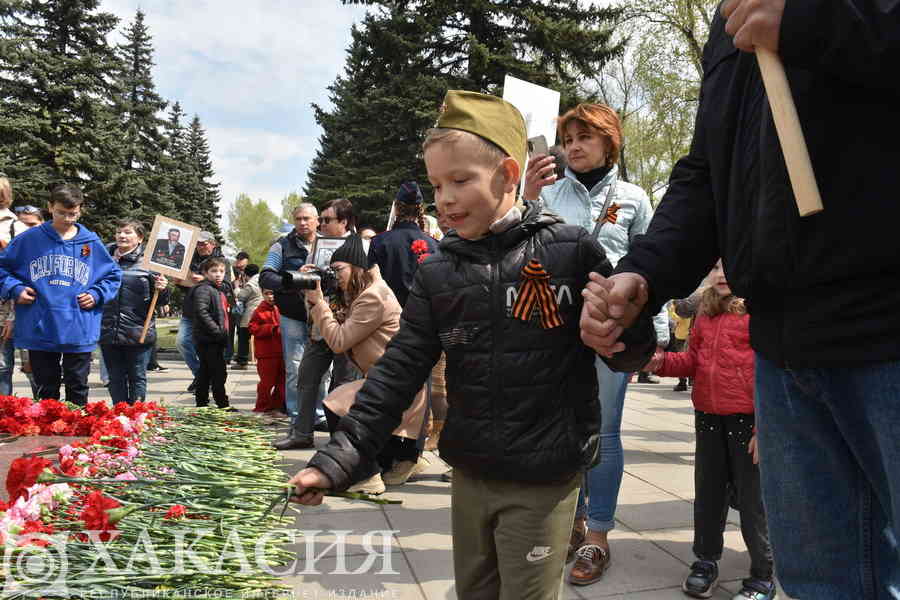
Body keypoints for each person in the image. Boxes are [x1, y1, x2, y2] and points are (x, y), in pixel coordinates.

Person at [578, 2, 900, 598]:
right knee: (819, 581)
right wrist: (646, 273)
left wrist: (815, 24)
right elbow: (705, 172)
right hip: (784, 349)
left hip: (887, 328)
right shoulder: (732, 19)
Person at [289, 90, 654, 599]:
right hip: (472, 473)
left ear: (508, 175)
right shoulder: (438, 270)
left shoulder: (570, 250)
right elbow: (398, 371)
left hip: (544, 476)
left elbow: (632, 350)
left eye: (460, 180)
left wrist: (622, 326)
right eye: (438, 185)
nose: (445, 199)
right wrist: (336, 461)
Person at [523, 102, 669, 584]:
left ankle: (598, 536)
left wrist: (656, 337)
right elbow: (522, 251)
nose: (573, 148)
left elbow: (654, 265)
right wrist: (525, 198)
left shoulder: (633, 196)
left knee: (604, 431)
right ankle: (571, 521)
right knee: (563, 428)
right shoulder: (547, 195)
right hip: (556, 328)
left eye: (584, 137)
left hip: (612, 328)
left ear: (609, 140)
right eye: (567, 140)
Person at [645, 260, 774, 600]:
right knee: (708, 495)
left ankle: (763, 573)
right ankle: (705, 561)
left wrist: (766, 426)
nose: (720, 274)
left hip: (748, 423)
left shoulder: (760, 313)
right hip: (708, 418)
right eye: (715, 268)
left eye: (729, 266)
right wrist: (658, 361)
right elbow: (692, 362)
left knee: (753, 502)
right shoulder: (706, 314)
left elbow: (771, 374)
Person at [0, 183, 121, 406]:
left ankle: (78, 436)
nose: (67, 218)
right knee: (46, 389)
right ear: (49, 207)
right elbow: (3, 268)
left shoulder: (91, 243)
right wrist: (15, 289)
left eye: (72, 214)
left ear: (80, 210)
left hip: (79, 326)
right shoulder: (30, 239)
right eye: (61, 213)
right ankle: (49, 438)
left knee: (78, 386)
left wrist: (96, 294)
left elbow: (113, 276)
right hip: (41, 326)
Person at [260, 204, 318, 435]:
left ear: (316, 220)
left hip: (322, 313)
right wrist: (294, 279)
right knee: (295, 368)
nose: (302, 223)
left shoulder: (329, 243)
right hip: (293, 314)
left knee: (323, 370)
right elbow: (266, 276)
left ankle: (320, 414)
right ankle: (296, 415)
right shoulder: (281, 245)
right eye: (298, 219)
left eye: (307, 218)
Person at [99, 220, 169, 405]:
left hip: (138, 330)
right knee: (115, 378)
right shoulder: (102, 258)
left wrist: (163, 289)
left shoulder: (150, 263)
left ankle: (136, 417)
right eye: (119, 231)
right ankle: (119, 415)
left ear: (140, 238)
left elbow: (161, 302)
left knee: (137, 376)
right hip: (108, 329)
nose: (122, 235)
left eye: (128, 232)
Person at [367, 182, 439, 307]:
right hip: (423, 317)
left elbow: (370, 284)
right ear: (420, 209)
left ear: (396, 208)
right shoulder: (435, 245)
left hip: (387, 314)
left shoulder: (379, 242)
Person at [176, 231, 232, 390]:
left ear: (212, 244)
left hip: (212, 313)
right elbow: (185, 287)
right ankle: (200, 375)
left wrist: (206, 280)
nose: (200, 246)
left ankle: (205, 380)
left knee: (211, 351)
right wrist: (180, 281)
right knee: (182, 342)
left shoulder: (222, 262)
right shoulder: (188, 260)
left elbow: (227, 287)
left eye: (203, 243)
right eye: (197, 244)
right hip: (190, 311)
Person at [190, 256, 233, 409]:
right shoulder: (204, 289)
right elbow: (202, 312)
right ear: (205, 273)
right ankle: (222, 404)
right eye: (214, 271)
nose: (218, 274)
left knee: (206, 372)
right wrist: (217, 331)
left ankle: (202, 403)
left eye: (221, 271)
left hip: (213, 338)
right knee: (218, 373)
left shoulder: (216, 289)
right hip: (208, 338)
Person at [0, 176, 28, 395]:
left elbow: (23, 271)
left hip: (5, 307)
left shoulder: (15, 226)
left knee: (2, 366)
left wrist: (13, 316)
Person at [248, 288, 285, 414]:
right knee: (266, 383)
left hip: (282, 352)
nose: (270, 296)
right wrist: (271, 329)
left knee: (282, 382)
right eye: (267, 293)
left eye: (273, 293)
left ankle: (276, 406)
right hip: (267, 354)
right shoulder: (259, 310)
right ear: (262, 294)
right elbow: (252, 328)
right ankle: (262, 407)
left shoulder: (282, 308)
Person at [232, 263, 261, 370]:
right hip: (263, 311)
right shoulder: (263, 279)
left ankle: (242, 361)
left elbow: (240, 296)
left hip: (251, 312)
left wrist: (236, 287)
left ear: (246, 273)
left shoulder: (251, 284)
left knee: (243, 335)